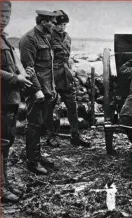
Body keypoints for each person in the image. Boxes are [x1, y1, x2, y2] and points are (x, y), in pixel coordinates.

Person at [0, 0, 34, 202]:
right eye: (0, 16)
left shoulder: (4, 39)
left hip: (8, 100)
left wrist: (22, 73)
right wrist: (16, 78)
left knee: (5, 144)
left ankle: (4, 184)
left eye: (7, 17)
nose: (4, 20)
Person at [19, 10, 59, 174]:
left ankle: (37, 156)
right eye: (52, 22)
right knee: (34, 125)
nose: (54, 25)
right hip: (37, 91)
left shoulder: (44, 38)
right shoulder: (29, 39)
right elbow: (29, 68)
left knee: (40, 124)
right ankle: (32, 162)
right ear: (43, 22)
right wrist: (36, 90)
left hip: (46, 89)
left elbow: (48, 68)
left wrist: (53, 88)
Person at [45, 10, 90, 147]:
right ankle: (51, 136)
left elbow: (67, 56)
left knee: (72, 105)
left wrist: (71, 70)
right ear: (54, 24)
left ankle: (75, 135)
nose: (62, 27)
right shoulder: (47, 37)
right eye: (59, 24)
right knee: (50, 106)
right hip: (52, 75)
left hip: (65, 75)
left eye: (64, 24)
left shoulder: (67, 37)